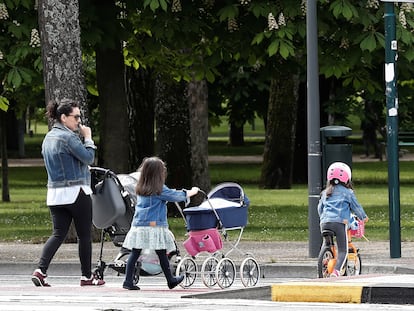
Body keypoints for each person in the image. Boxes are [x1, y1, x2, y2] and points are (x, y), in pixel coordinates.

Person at [31, 99, 105, 287]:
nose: (79, 121)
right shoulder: (69, 137)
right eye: (76, 117)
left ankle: (41, 270)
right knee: (84, 235)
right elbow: (88, 157)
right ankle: (86, 276)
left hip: (55, 193)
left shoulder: (48, 137)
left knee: (58, 233)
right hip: (76, 191)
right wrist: (88, 138)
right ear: (64, 117)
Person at [122, 157, 199, 290]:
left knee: (134, 252)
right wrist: (192, 191)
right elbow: (177, 195)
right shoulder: (159, 189)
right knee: (162, 253)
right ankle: (170, 280)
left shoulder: (140, 188)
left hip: (139, 225)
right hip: (154, 225)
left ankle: (128, 281)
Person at [317, 162, 368, 277]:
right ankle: (336, 271)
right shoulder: (348, 193)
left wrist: (323, 218)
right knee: (343, 251)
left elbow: (320, 208)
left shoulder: (325, 193)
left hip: (324, 223)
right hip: (340, 223)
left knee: (327, 244)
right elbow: (356, 207)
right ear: (347, 178)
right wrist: (363, 218)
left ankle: (322, 262)